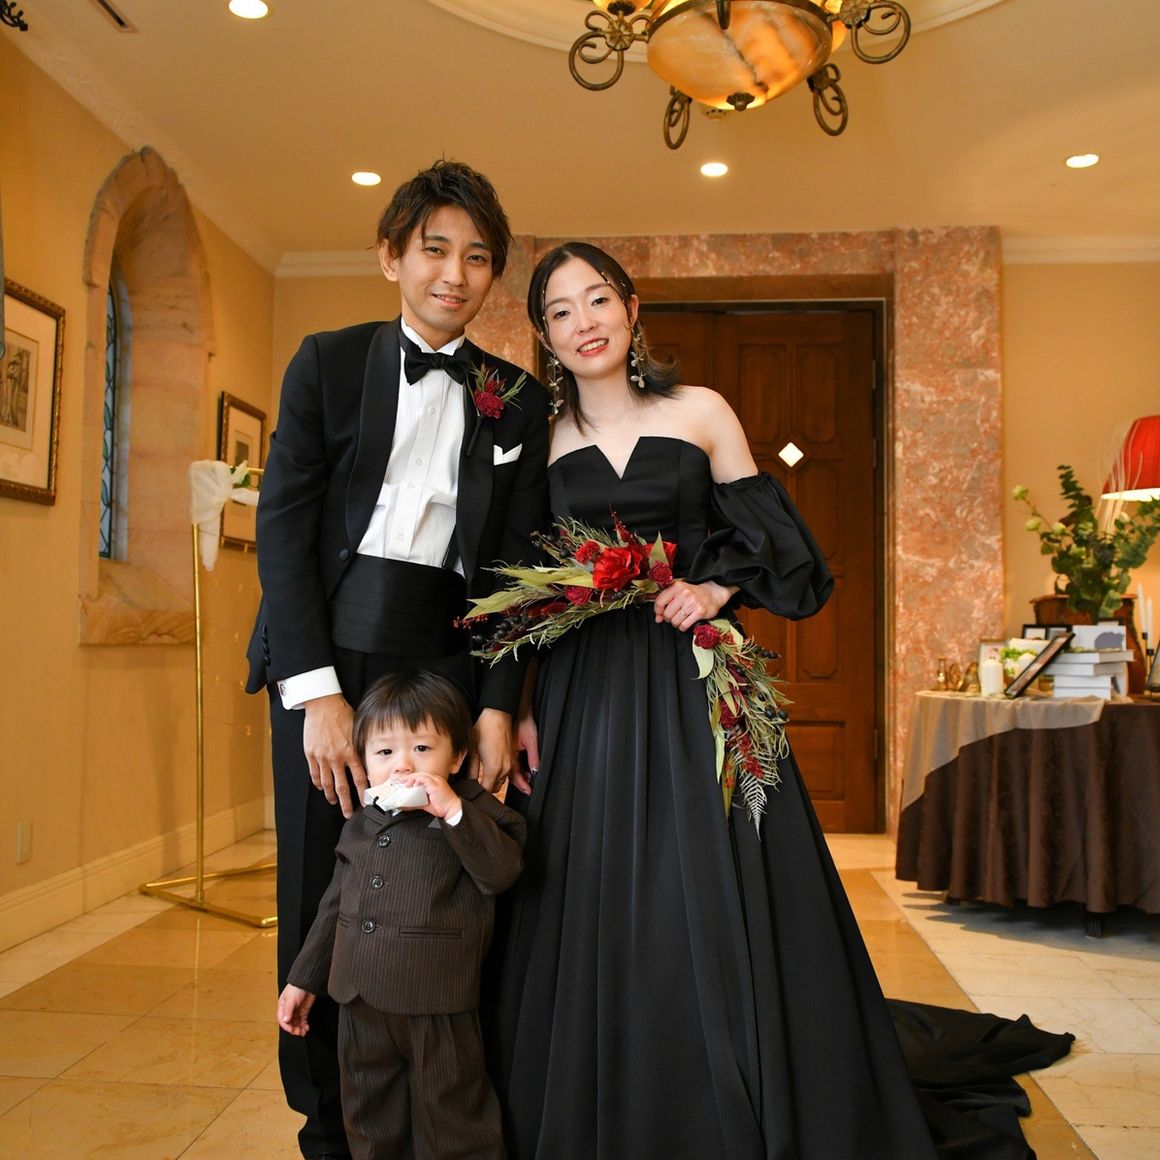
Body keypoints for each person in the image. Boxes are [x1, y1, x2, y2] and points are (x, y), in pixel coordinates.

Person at [487, 243, 1070, 1160]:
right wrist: (518, 705)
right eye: (560, 311)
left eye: (598, 299)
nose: (583, 322)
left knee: (711, 878)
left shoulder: (701, 411)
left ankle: (740, 1078)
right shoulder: (541, 440)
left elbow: (784, 548)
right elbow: (518, 584)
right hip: (585, 694)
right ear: (544, 335)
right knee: (593, 885)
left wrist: (715, 589)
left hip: (693, 680)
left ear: (632, 307)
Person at [246, 159, 550, 1160]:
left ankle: (443, 1112)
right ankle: (328, 1122)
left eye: (477, 258)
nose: (454, 274)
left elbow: (515, 568)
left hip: (445, 660)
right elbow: (284, 532)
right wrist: (316, 693)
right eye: (434, 250)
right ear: (391, 256)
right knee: (323, 881)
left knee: (441, 879)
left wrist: (497, 702)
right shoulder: (327, 363)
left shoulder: (516, 398)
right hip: (331, 653)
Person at [278, 670, 526, 1160]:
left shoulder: (474, 812)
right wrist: (303, 979)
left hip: (436, 1000)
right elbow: (334, 905)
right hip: (358, 1000)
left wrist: (453, 811)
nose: (403, 765)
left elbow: (501, 874)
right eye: (385, 752)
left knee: (453, 1118)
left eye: (422, 748)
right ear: (365, 760)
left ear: (457, 756)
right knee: (369, 1118)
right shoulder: (361, 822)